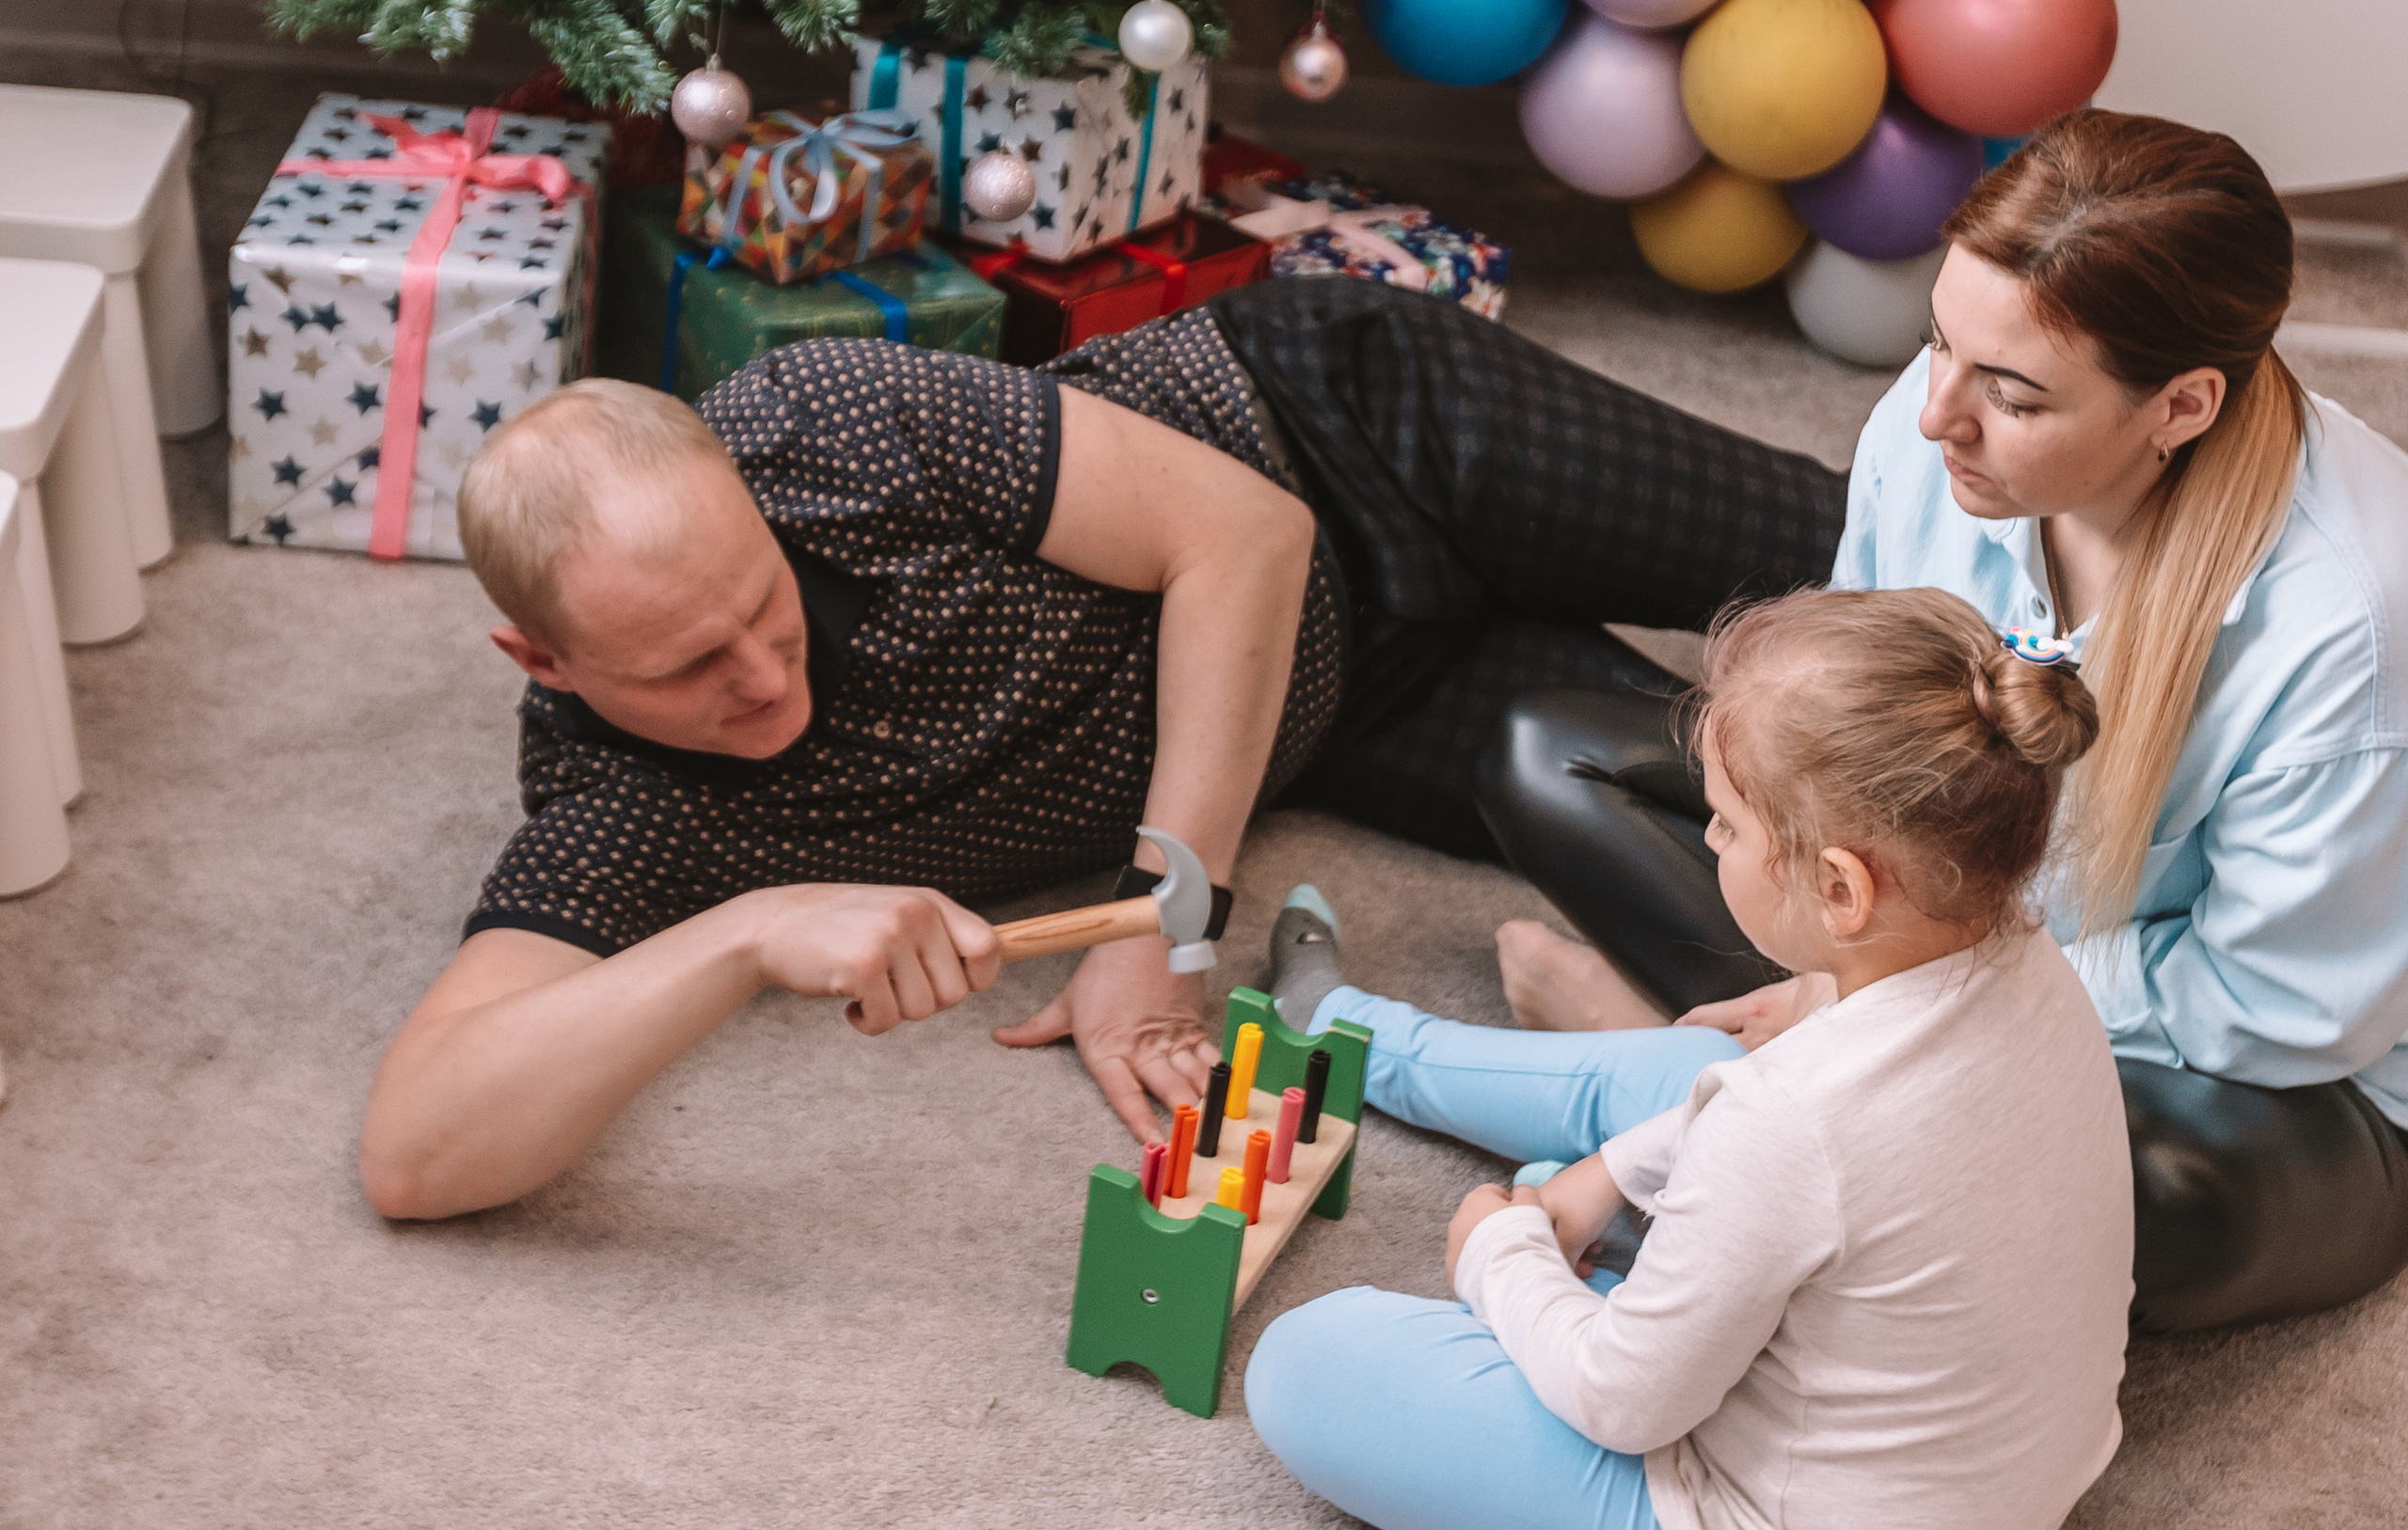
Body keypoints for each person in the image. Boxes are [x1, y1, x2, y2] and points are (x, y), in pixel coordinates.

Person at [358, 279, 1843, 1221]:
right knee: (1802, 834)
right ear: (541, 661)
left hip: (1350, 435)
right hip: (1344, 714)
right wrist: (743, 936)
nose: (760, 675)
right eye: (686, 666)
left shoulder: (827, 419)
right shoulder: (622, 810)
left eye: (761, 602)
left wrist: (1167, 916)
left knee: (1865, 572)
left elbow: (1243, 534)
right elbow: (416, 1154)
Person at [1478, 114, 2408, 1335]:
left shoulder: (2353, 626)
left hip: (2252, 1071)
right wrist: (1864, 977)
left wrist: (1884, 999)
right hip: (1929, 925)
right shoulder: (1931, 437)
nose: (1934, 418)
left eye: (2012, 395)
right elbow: (1846, 741)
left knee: (2174, 1199)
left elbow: (2272, 1005)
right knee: (1549, 758)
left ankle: (1685, 1083)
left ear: (2179, 406)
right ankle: (1761, 1118)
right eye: (1939, 343)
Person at [1244, 587, 2133, 1530]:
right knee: (1692, 1075)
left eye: (1722, 824)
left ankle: (1355, 1048)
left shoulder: (1790, 1122)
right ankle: (1349, 1037)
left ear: (1842, 889)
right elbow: (1826, 1140)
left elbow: (1625, 1403)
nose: (1709, 837)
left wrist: (1497, 1252)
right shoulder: (2029, 960)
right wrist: (1611, 1170)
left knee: (1305, 1364)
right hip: (1987, 1478)